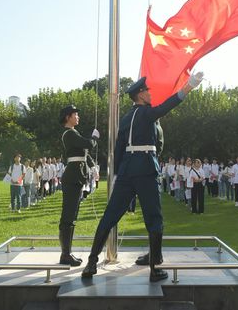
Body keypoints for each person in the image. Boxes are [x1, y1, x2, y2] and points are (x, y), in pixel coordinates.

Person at [82, 73, 203, 282]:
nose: (149, 93)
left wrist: (118, 174)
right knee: (154, 218)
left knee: (109, 216)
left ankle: (91, 263)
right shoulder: (146, 113)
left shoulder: (126, 118)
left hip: (127, 171)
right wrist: (188, 87)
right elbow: (168, 106)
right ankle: (155, 268)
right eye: (146, 90)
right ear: (140, 95)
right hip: (146, 169)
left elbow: (119, 149)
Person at [58, 104, 99, 266]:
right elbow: (88, 144)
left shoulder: (74, 133)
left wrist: (93, 167)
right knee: (68, 216)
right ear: (68, 117)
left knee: (72, 215)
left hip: (77, 176)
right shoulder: (69, 133)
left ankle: (67, 253)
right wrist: (94, 138)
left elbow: (85, 153)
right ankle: (65, 254)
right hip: (73, 177)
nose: (78, 117)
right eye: (75, 114)